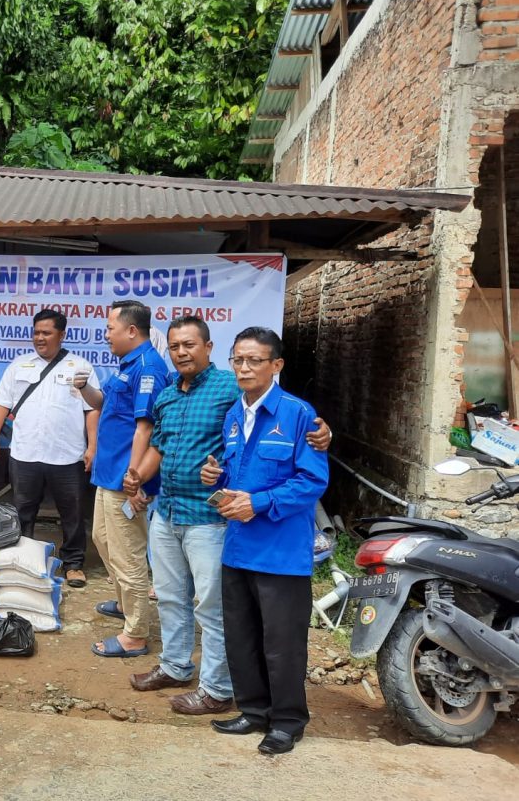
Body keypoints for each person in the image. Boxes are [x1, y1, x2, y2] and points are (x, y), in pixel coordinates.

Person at [124, 317, 331, 717]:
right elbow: (164, 447)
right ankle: (176, 666)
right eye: (174, 346)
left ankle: (218, 688)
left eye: (189, 344)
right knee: (170, 597)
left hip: (211, 520)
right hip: (168, 512)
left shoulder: (229, 389)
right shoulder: (173, 395)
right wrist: (140, 478)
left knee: (213, 607)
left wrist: (325, 432)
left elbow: (302, 439)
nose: (181, 352)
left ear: (208, 347)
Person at [201, 327, 329, 755]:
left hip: (281, 552)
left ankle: (288, 721)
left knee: (282, 643)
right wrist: (217, 478)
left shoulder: (299, 415)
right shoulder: (235, 414)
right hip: (238, 548)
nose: (244, 367)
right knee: (242, 636)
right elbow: (239, 473)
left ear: (276, 365)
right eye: (238, 359)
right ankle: (254, 711)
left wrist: (258, 502)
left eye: (254, 360)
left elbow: (313, 481)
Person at [77, 300, 168, 658]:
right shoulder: (127, 364)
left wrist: (136, 481)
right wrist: (84, 389)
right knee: (102, 540)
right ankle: (124, 603)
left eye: (110, 328)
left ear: (132, 330)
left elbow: (146, 428)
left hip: (125, 480)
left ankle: (136, 634)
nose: (106, 335)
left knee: (128, 555)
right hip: (109, 474)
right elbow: (103, 403)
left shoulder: (148, 368)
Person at [0, 309, 100, 588]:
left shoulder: (80, 367)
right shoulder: (19, 365)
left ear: (62, 335)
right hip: (26, 452)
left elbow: (91, 409)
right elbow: (1, 402)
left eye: (46, 333)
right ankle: (24, 560)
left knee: (72, 512)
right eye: (36, 332)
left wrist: (92, 446)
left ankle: (73, 563)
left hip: (67, 454)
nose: (39, 338)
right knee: (23, 510)